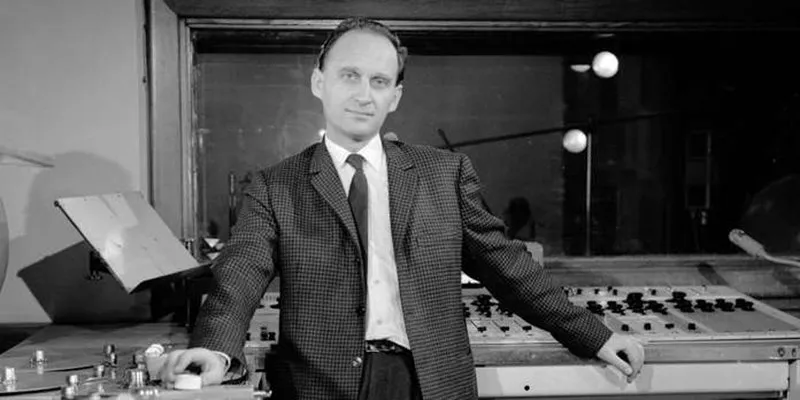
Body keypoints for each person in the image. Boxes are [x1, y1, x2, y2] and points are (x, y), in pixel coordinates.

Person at [160, 17, 644, 399]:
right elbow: (239, 276)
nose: (363, 94)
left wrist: (595, 335)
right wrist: (214, 349)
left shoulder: (445, 173)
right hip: (321, 386)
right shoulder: (274, 186)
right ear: (318, 81)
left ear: (394, 96)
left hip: (432, 382)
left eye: (379, 81)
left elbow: (508, 266)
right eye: (349, 76)